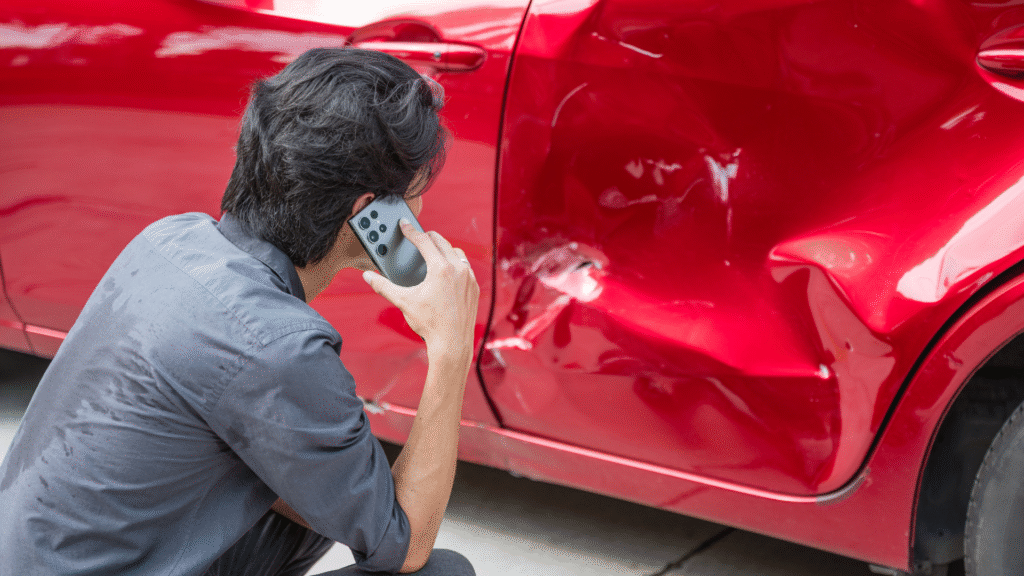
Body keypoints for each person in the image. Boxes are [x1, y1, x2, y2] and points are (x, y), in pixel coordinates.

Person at [0, 47, 479, 576]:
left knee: (315, 504)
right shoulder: (279, 349)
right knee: (440, 571)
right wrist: (451, 347)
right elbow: (405, 545)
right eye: (414, 194)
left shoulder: (168, 240)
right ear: (370, 214)